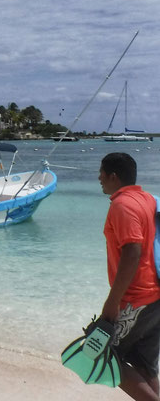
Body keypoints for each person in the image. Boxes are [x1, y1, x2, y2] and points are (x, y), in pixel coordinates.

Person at [97, 152, 160, 399]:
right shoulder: (147, 199)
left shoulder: (122, 205)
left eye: (101, 173)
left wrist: (113, 302)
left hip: (136, 298)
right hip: (155, 296)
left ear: (113, 176)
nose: (98, 178)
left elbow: (132, 251)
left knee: (104, 354)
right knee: (144, 363)